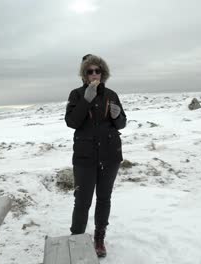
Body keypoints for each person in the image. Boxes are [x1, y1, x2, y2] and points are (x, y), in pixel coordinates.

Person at [65, 54, 127, 257]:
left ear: (103, 73)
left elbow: (121, 124)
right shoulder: (76, 94)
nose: (94, 74)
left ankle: (99, 238)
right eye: (89, 71)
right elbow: (72, 122)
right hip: (85, 157)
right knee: (82, 200)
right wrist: (86, 100)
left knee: (104, 198)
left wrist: (118, 116)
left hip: (110, 155)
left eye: (97, 71)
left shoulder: (111, 94)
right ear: (84, 74)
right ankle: (77, 238)